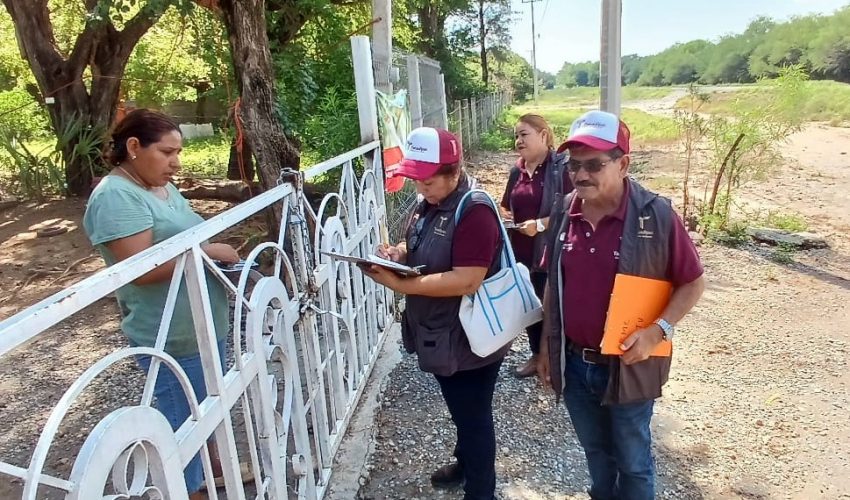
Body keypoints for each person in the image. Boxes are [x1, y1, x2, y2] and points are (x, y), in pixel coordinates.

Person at [537, 110, 705, 500]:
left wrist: (658, 330)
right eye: (574, 165)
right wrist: (547, 345)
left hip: (629, 364)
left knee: (632, 463)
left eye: (594, 164)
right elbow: (553, 284)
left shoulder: (656, 214)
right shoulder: (565, 210)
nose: (580, 175)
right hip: (576, 365)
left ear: (624, 164)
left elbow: (693, 282)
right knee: (596, 454)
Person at [83, 109, 239, 499]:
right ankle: (188, 490)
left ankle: (209, 474)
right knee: (181, 426)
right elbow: (139, 268)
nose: (175, 163)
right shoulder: (116, 196)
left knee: (203, 413)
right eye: (167, 152)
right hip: (171, 336)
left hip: (200, 323)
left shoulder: (159, 187)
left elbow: (180, 236)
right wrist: (208, 251)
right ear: (134, 147)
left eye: (178, 152)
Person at [362, 127, 506, 500]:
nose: (419, 188)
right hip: (442, 329)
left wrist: (401, 285)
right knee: (464, 412)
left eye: (427, 180)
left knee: (473, 418)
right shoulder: (430, 204)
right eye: (416, 179)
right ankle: (465, 463)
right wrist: (399, 255)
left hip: (469, 335)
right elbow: (425, 248)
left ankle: (480, 491)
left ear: (453, 173)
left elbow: (468, 279)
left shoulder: (473, 210)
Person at [499, 114, 572, 378]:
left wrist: (540, 225)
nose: (518, 141)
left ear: (543, 135)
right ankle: (536, 355)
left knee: (552, 305)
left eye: (524, 134)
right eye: (516, 136)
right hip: (520, 253)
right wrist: (505, 215)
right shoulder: (516, 171)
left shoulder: (562, 169)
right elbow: (507, 205)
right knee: (530, 304)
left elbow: (573, 210)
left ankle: (556, 359)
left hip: (551, 251)